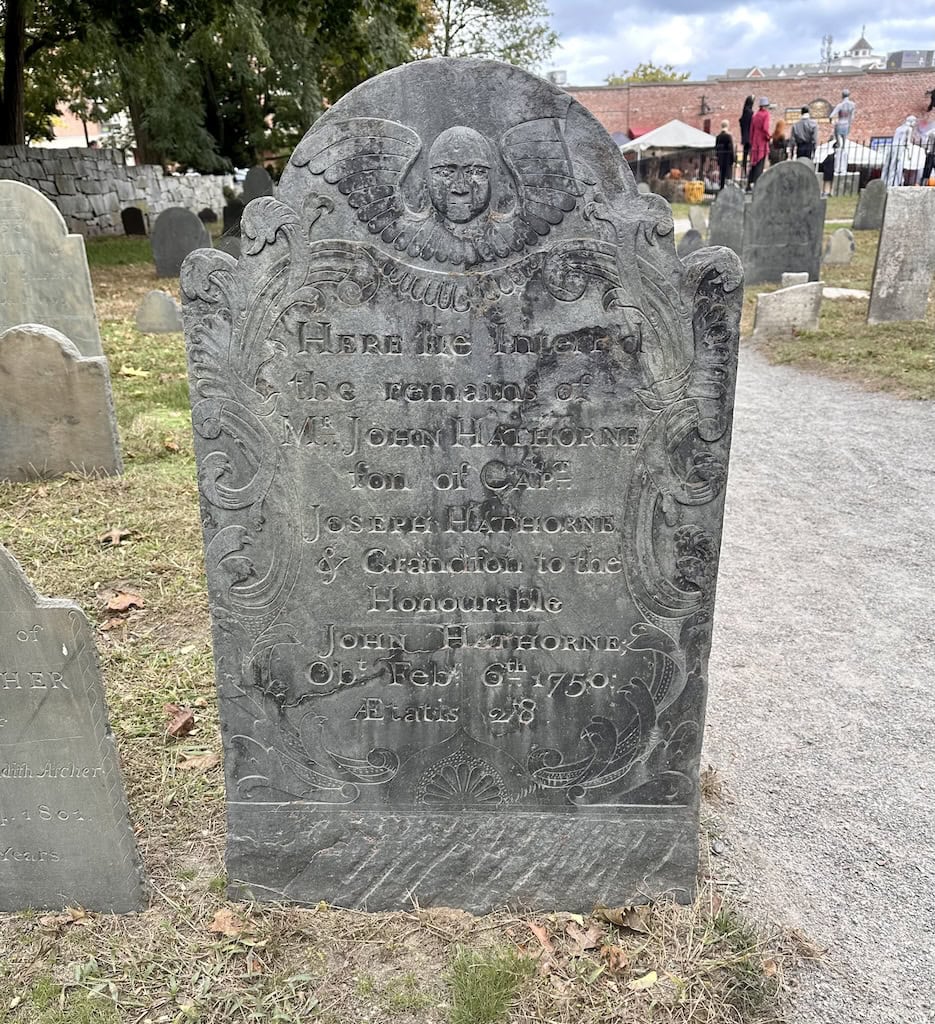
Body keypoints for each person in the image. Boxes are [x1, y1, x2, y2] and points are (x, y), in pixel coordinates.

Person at [881, 115, 918, 186]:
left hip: (892, 147)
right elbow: (907, 143)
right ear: (911, 121)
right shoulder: (909, 129)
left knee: (888, 165)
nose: (915, 123)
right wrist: (910, 154)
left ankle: (885, 181)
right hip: (899, 147)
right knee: (897, 166)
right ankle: (893, 183)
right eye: (915, 121)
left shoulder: (898, 128)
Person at [829, 89, 856, 174]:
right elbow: (852, 117)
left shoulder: (840, 105)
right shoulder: (852, 105)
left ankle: (838, 166)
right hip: (846, 125)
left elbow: (831, 115)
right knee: (844, 145)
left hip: (840, 124)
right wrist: (849, 124)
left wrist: (832, 122)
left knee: (838, 144)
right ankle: (842, 166)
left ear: (842, 95)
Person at [747, 97, 770, 188]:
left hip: (754, 143)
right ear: (765, 106)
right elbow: (765, 128)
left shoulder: (755, 115)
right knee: (760, 165)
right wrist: (768, 137)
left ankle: (749, 184)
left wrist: (752, 141)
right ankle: (757, 185)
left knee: (753, 164)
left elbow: (751, 130)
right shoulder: (766, 115)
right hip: (762, 143)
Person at [715, 119, 735, 189]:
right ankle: (727, 191)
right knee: (728, 176)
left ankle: (721, 189)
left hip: (721, 159)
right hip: (728, 159)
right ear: (728, 126)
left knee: (722, 176)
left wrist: (718, 157)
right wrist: (733, 159)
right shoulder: (728, 136)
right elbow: (731, 149)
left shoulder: (718, 137)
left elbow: (716, 149)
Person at [739, 96, 754, 177]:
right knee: (751, 155)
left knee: (745, 155)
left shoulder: (744, 111)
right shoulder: (750, 112)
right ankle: (749, 172)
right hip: (750, 136)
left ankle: (744, 171)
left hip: (744, 137)